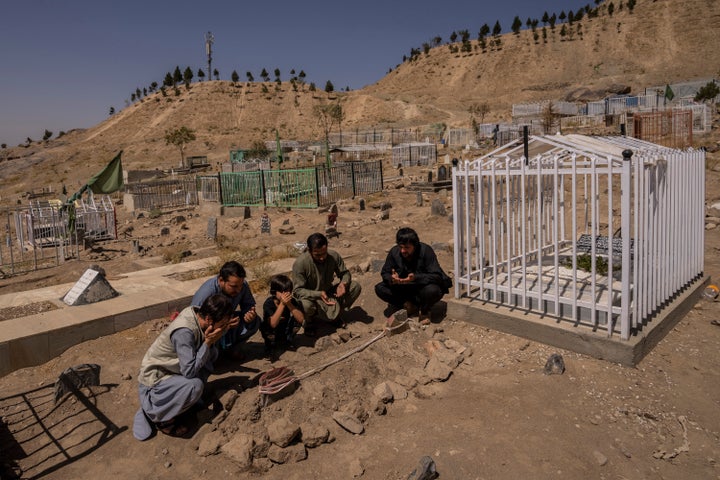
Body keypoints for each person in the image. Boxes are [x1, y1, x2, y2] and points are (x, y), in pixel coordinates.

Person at [133, 294, 233, 440]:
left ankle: (174, 403)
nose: (224, 327)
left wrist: (212, 342)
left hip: (172, 372)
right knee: (194, 386)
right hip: (154, 381)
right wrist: (207, 343)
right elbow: (189, 372)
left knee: (212, 354)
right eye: (223, 324)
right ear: (209, 320)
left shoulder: (200, 316)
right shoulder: (184, 332)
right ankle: (161, 417)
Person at [375, 227, 452, 324]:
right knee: (380, 288)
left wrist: (416, 278)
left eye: (407, 247)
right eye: (401, 247)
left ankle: (424, 310)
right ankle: (408, 305)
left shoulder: (426, 251)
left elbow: (437, 276)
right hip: (404, 289)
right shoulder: (394, 252)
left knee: (433, 290)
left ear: (414, 246)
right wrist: (392, 278)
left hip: (422, 289)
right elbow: (385, 272)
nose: (403, 251)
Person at [292, 232, 361, 334]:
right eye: (317, 255)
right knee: (306, 305)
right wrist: (318, 294)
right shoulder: (300, 263)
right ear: (309, 251)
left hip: (329, 293)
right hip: (312, 297)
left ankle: (335, 317)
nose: (322, 257)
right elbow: (297, 291)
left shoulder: (333, 256)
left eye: (324, 253)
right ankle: (310, 323)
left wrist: (343, 284)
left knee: (355, 286)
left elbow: (345, 274)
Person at [191, 261, 258, 360]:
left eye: (240, 286)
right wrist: (223, 325)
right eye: (234, 287)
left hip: (228, 323)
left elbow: (248, 304)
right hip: (211, 328)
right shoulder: (206, 293)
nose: (238, 290)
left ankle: (232, 349)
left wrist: (249, 314)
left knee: (255, 321)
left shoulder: (241, 284)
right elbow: (197, 324)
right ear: (221, 280)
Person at [261, 274, 305, 354]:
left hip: (286, 331)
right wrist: (282, 304)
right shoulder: (269, 303)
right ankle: (270, 346)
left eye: (289, 291)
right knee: (265, 325)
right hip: (273, 334)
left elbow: (301, 319)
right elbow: (273, 324)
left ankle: (287, 340)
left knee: (296, 315)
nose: (286, 294)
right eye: (283, 292)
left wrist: (289, 305)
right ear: (275, 292)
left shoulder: (291, 301)